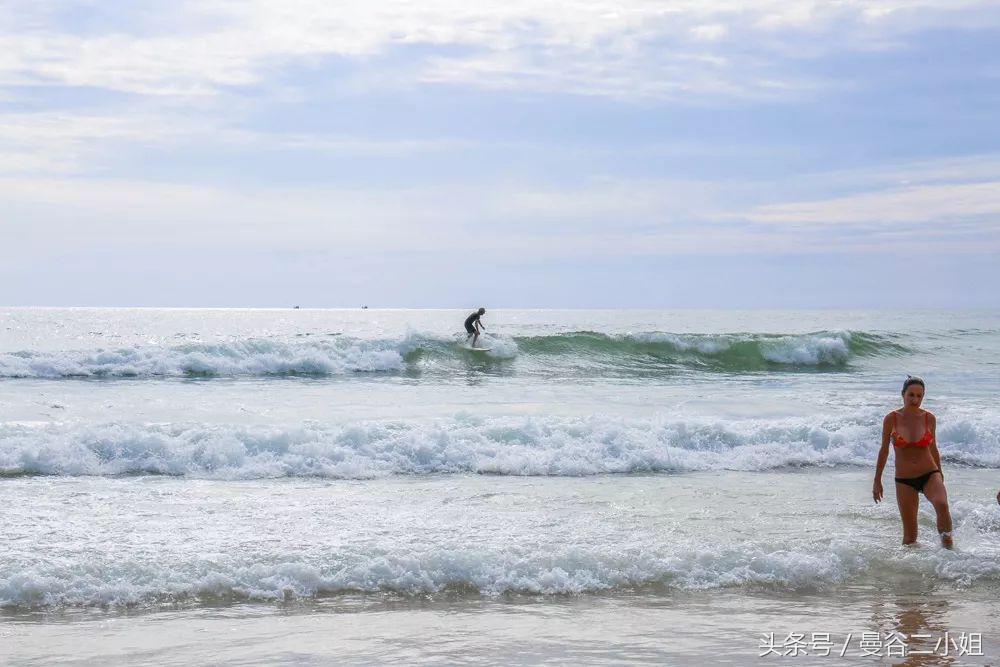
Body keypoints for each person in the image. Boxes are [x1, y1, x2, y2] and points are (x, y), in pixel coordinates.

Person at [873, 376, 954, 548]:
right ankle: (909, 573)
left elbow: (933, 449)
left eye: (919, 396)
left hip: (930, 473)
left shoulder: (929, 418)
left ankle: (949, 551)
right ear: (903, 394)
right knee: (910, 537)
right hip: (904, 480)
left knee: (942, 504)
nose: (915, 399)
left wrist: (940, 473)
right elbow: (884, 451)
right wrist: (877, 481)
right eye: (911, 395)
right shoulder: (891, 419)